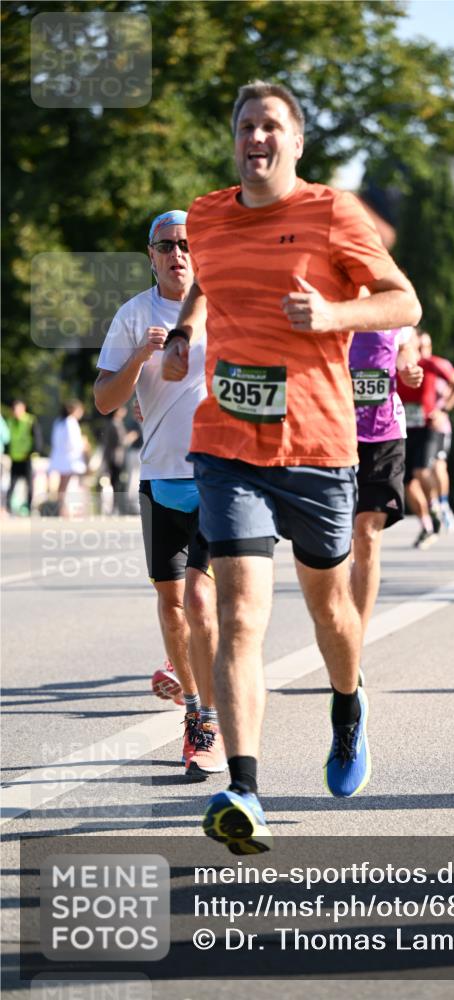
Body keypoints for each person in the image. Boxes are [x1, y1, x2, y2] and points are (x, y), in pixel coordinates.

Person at [162, 80, 421, 854]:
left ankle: (347, 705)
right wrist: (183, 332)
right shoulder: (205, 215)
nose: (256, 137)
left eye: (271, 125)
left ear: (295, 142)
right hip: (227, 444)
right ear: (234, 139)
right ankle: (243, 788)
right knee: (241, 613)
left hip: (316, 446)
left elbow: (402, 301)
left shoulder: (330, 212)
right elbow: (204, 278)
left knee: (328, 612)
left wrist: (336, 315)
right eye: (245, 125)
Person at [94, 210, 222, 780]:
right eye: (166, 245)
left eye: (188, 244)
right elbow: (103, 400)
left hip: (218, 479)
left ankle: (211, 720)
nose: (178, 254)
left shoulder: (220, 306)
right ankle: (193, 708)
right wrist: (140, 357)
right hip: (160, 480)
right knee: (173, 608)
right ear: (150, 254)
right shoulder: (133, 316)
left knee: (200, 604)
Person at [349, 325, 423, 636]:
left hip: (383, 433)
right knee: (336, 547)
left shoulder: (389, 295)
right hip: (332, 433)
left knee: (366, 535)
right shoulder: (326, 293)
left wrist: (407, 364)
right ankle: (338, 627)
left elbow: (408, 341)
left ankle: (355, 645)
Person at [398, 329, 454, 549]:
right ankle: (427, 524)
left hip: (428, 426)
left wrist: (443, 409)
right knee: (407, 483)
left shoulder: (431, 363)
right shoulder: (395, 362)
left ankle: (437, 505)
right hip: (405, 427)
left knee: (422, 471)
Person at [48, 400, 88, 516]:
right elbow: (73, 442)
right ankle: (67, 510)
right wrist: (83, 444)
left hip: (60, 457)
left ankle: (61, 508)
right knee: (72, 485)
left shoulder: (59, 422)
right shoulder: (71, 422)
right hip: (71, 459)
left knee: (63, 485)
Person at [6, 399, 43, 515]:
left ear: (23, 409)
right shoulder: (10, 421)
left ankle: (29, 507)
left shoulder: (30, 420)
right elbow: (8, 439)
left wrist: (35, 451)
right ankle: (8, 508)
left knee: (29, 485)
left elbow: (37, 437)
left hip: (26, 457)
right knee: (11, 484)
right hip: (15, 458)